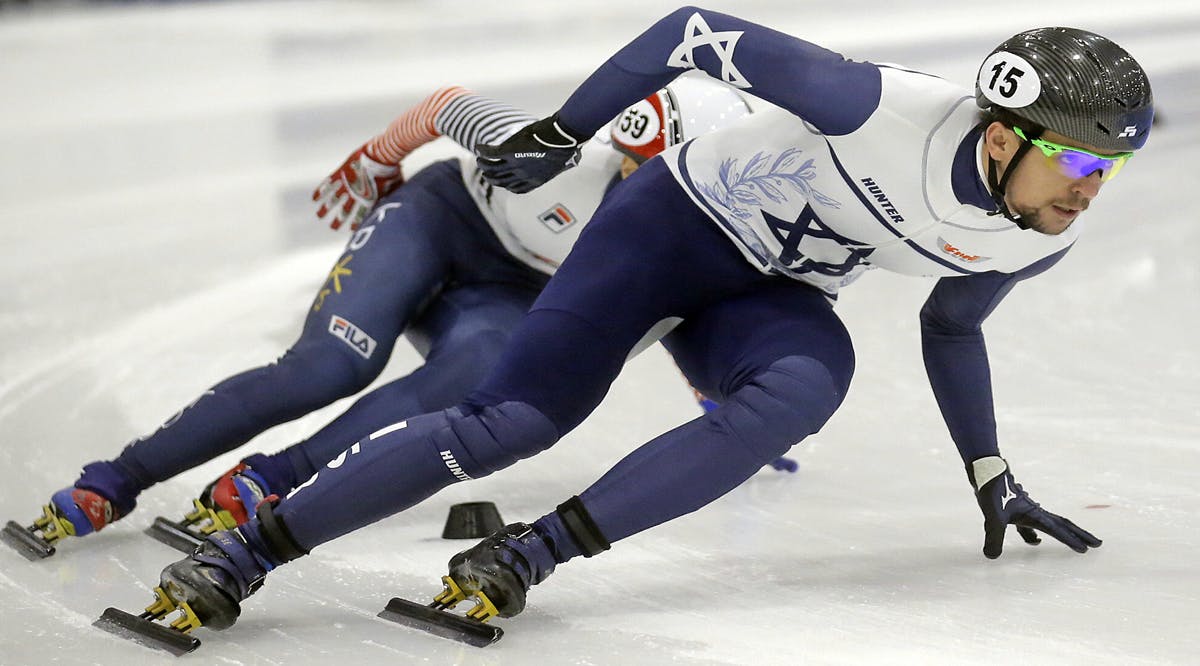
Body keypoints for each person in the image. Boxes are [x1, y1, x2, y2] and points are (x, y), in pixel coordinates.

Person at [139, 9, 1150, 635]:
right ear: (1007, 133)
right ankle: (248, 552)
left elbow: (954, 328)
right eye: (1085, 163)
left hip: (767, 292)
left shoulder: (1035, 232)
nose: (1093, 192)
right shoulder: (871, 105)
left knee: (804, 389)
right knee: (513, 424)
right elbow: (690, 30)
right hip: (666, 226)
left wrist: (988, 469)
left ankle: (527, 555)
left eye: (1114, 170)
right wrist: (564, 132)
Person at [3, 75, 769, 558]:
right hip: (440, 219)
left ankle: (266, 480)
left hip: (508, 295)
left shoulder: (676, 235)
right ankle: (119, 478)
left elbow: (661, 318)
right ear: (633, 149)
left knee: (472, 380)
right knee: (330, 366)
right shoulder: (557, 156)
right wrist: (377, 160)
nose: (679, 200)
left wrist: (711, 386)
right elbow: (446, 105)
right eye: (669, 178)